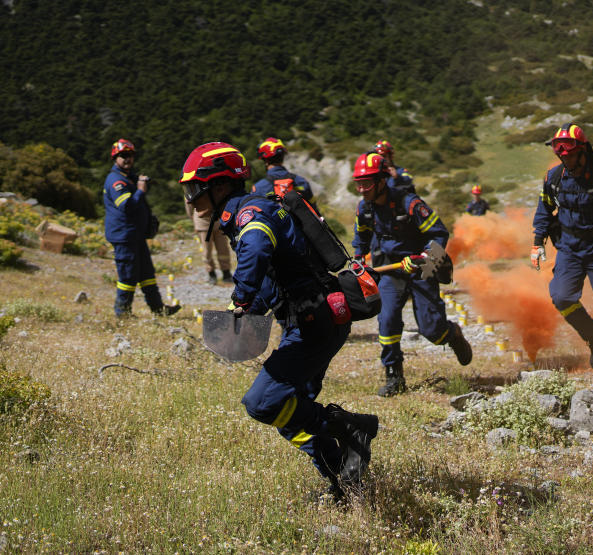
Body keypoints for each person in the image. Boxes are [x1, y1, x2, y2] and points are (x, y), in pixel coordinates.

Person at [179, 141, 377, 502]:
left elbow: (256, 248)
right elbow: (272, 276)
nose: (191, 199)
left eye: (195, 188)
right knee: (291, 416)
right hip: (310, 320)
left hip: (314, 321)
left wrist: (239, 299)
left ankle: (352, 426)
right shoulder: (249, 210)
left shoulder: (249, 213)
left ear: (220, 186)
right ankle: (346, 486)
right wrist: (250, 310)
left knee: (262, 402)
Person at [351, 152, 472, 397]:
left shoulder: (409, 202)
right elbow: (361, 238)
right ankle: (394, 377)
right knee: (387, 321)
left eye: (367, 183)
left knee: (432, 331)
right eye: (358, 183)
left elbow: (439, 234)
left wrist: (424, 257)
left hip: (421, 268)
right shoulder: (364, 209)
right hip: (389, 270)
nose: (362, 189)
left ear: (382, 181)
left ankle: (453, 334)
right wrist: (357, 259)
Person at [530, 123, 593, 385]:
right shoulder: (553, 178)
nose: (564, 157)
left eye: (568, 153)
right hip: (570, 250)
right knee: (561, 297)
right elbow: (544, 210)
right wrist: (537, 242)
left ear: (582, 150)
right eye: (559, 153)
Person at [102, 139, 179, 318]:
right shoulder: (115, 180)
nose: (127, 159)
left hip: (135, 235)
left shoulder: (128, 177)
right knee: (128, 276)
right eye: (123, 156)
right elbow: (127, 205)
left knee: (146, 274)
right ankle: (122, 313)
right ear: (115, 158)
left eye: (130, 155)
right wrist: (141, 190)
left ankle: (159, 310)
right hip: (124, 236)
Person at [184, 196, 232, 283]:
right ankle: (211, 273)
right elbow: (189, 206)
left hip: (218, 222)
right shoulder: (192, 186)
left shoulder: (214, 184)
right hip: (203, 224)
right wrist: (194, 219)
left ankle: (226, 272)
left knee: (223, 248)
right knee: (207, 250)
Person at [252, 137, 313, 201]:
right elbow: (313, 207)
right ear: (283, 157)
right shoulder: (301, 181)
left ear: (266, 161)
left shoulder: (258, 188)